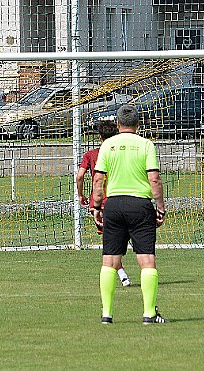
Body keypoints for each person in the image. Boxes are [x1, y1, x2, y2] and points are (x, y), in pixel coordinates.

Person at [93, 105, 167, 324]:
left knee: (109, 260)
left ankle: (107, 314)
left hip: (114, 205)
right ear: (138, 124)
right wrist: (160, 207)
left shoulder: (108, 145)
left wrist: (97, 207)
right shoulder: (146, 145)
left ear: (118, 124)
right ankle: (148, 314)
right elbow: (154, 179)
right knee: (147, 260)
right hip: (140, 206)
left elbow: (98, 180)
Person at [76, 120, 132, 287]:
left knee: (111, 242)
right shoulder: (121, 153)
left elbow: (79, 176)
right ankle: (122, 274)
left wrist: (80, 195)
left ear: (99, 136)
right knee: (118, 240)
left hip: (99, 203)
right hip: (120, 200)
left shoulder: (91, 154)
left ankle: (121, 274)